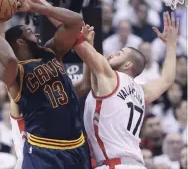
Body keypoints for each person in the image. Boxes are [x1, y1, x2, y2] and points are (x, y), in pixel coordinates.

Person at [0, 0, 92, 169]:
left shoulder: (51, 51)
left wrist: (37, 7)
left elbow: (76, 21)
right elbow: (9, 59)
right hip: (44, 151)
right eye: (29, 31)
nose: (36, 32)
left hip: (77, 146)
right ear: (20, 42)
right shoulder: (14, 74)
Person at [73, 11, 179, 169]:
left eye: (119, 53)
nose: (112, 54)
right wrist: (171, 45)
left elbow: (79, 45)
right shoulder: (141, 92)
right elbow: (167, 79)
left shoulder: (111, 79)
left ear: (128, 65)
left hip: (114, 165)